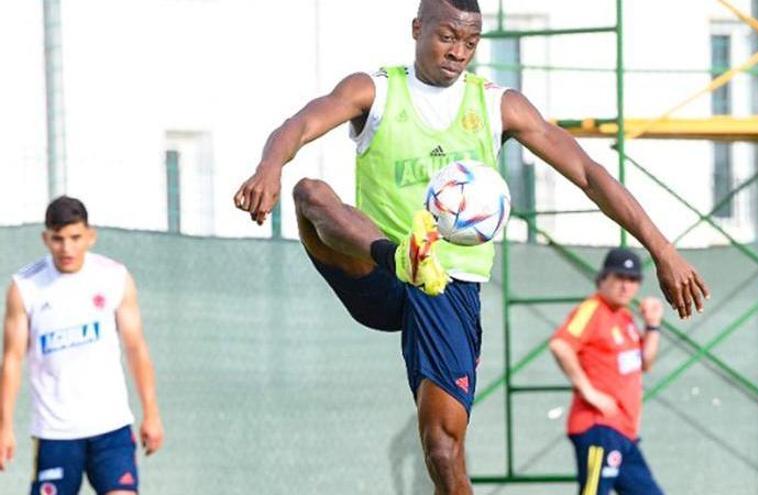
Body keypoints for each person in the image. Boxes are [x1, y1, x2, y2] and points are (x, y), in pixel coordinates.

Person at [233, 0, 709, 492]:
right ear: (417, 28)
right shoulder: (373, 90)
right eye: (446, 37)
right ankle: (401, 256)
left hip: (448, 285)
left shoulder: (497, 104)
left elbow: (588, 173)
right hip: (381, 264)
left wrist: (661, 249)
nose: (458, 52)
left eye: (470, 42)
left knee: (442, 448)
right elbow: (301, 123)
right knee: (309, 193)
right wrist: (269, 166)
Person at [0, 196, 163, 495]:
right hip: (55, 432)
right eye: (58, 239)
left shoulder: (114, 278)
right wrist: (3, 427)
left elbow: (136, 349)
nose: (67, 248)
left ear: (90, 235)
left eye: (75, 238)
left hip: (110, 427)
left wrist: (151, 413)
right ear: (45, 239)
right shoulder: (26, 287)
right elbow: (11, 360)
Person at [549, 248, 665, 495]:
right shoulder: (592, 309)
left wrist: (653, 325)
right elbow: (560, 345)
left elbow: (646, 362)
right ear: (603, 279)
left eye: (632, 280)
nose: (626, 286)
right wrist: (589, 391)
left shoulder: (625, 318)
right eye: (619, 277)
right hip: (599, 427)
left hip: (625, 432)